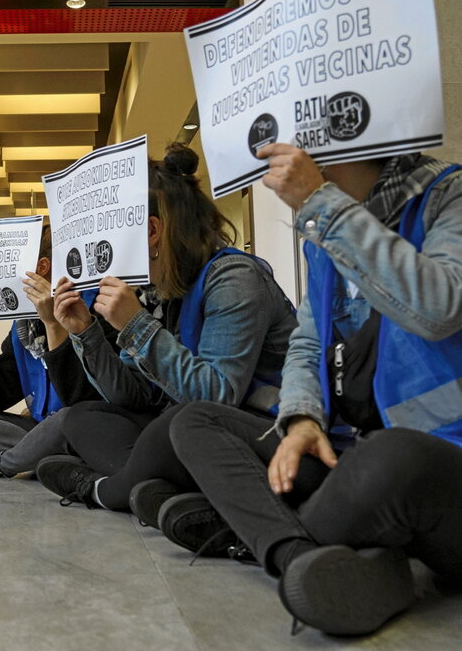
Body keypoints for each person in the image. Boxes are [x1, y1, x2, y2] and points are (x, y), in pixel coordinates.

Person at [155, 146, 462, 636]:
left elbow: (438, 307)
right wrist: (300, 419)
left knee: (392, 457)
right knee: (195, 422)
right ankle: (298, 558)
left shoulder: (449, 195)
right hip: (351, 448)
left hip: (436, 459)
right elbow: (308, 342)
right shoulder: (323, 233)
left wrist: (323, 203)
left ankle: (255, 532)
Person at [33, 143, 297, 517]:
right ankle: (162, 489)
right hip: (188, 428)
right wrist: (85, 332)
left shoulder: (234, 277)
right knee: (84, 418)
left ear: (152, 231)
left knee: (174, 424)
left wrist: (136, 325)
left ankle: (108, 490)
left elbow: (216, 396)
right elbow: (132, 396)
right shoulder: (165, 290)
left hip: (261, 429)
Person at [0, 221, 119, 478]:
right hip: (41, 428)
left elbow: (79, 399)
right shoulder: (24, 325)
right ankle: (45, 457)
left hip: (82, 425)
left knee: (66, 419)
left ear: (41, 267)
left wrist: (53, 324)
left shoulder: (92, 308)